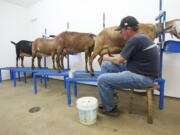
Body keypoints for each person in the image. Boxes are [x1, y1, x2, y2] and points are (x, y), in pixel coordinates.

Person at [97, 16, 160, 117]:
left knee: (102, 80)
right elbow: (124, 59)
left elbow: (119, 60)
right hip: (139, 70)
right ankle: (110, 99)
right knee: (106, 66)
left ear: (128, 29)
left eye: (121, 31)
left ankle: (110, 108)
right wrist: (110, 60)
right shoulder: (142, 37)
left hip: (143, 78)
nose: (120, 33)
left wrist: (106, 57)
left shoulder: (135, 40)